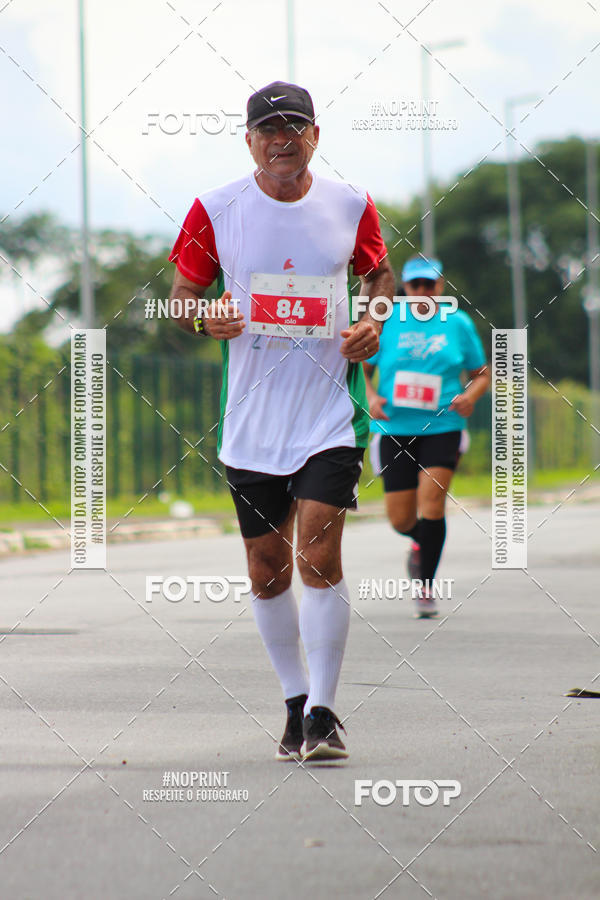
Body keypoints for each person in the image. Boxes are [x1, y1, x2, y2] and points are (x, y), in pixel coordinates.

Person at [168, 81, 394, 760]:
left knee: (319, 554)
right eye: (269, 128)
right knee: (268, 570)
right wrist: (207, 319)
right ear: (249, 141)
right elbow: (181, 296)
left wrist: (373, 320)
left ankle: (325, 713)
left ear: (316, 136)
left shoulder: (351, 205)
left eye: (295, 126)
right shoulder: (215, 210)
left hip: (328, 415)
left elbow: (378, 275)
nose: (282, 138)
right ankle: (295, 702)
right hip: (251, 423)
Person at [363, 256, 490, 618]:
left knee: (432, 503)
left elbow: (481, 373)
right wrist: (371, 398)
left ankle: (425, 587)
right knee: (401, 520)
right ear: (405, 287)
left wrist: (470, 396)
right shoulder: (387, 322)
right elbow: (361, 368)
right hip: (395, 428)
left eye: (429, 285)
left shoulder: (458, 323)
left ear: (440, 286)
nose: (423, 291)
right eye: (415, 285)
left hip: (442, 426)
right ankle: (423, 544)